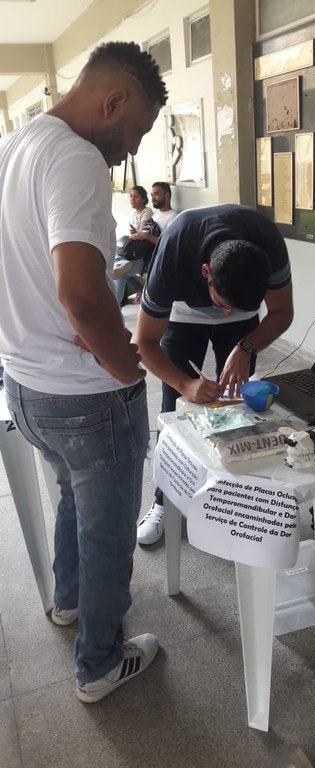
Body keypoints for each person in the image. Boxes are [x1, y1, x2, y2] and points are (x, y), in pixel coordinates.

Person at [0, 41, 168, 703]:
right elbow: (81, 294)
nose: (131, 151)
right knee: (107, 533)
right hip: (85, 398)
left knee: (72, 499)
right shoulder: (75, 158)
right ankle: (98, 665)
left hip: (26, 385)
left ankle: (68, 602)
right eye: (137, 131)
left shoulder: (15, 147)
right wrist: (127, 368)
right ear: (114, 101)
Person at [134, 203, 294, 545]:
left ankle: (234, 498)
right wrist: (184, 383)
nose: (224, 313)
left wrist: (247, 346)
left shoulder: (268, 243)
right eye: (222, 304)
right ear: (206, 272)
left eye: (235, 307)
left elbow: (282, 312)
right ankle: (164, 501)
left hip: (242, 328)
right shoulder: (173, 254)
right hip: (182, 316)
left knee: (239, 406)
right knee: (174, 408)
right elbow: (143, 342)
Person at [126, 180, 178, 304]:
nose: (153, 198)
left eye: (156, 194)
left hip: (156, 259)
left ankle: (120, 303)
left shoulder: (173, 217)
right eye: (152, 194)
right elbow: (148, 233)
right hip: (147, 255)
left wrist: (146, 236)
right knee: (119, 265)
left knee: (120, 272)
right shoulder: (155, 215)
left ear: (167, 196)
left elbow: (168, 243)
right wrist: (137, 233)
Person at [113, 185, 154, 305]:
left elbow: (142, 234)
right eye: (130, 196)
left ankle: (117, 304)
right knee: (117, 266)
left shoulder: (147, 212)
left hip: (143, 254)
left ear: (143, 199)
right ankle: (137, 289)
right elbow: (138, 234)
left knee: (119, 273)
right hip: (135, 250)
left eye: (136, 196)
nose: (132, 199)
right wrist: (134, 233)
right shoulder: (134, 214)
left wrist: (136, 234)